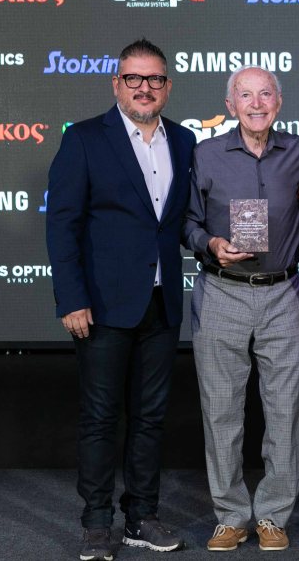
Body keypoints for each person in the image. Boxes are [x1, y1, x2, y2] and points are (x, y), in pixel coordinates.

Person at [46, 38, 195, 561]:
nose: (144, 88)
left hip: (162, 301)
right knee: (100, 417)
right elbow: (62, 225)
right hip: (102, 305)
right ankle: (96, 522)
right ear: (117, 84)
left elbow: (182, 219)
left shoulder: (184, 140)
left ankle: (141, 516)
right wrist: (71, 298)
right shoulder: (85, 139)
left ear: (167, 86)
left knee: (151, 417)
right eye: (134, 78)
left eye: (154, 79)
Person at [183, 66, 299, 552]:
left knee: (284, 410)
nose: (256, 103)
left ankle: (272, 515)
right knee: (220, 410)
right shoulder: (204, 154)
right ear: (230, 106)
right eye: (245, 95)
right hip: (221, 290)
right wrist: (210, 243)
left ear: (279, 102)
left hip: (283, 293)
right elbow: (186, 222)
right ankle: (230, 516)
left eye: (265, 93)